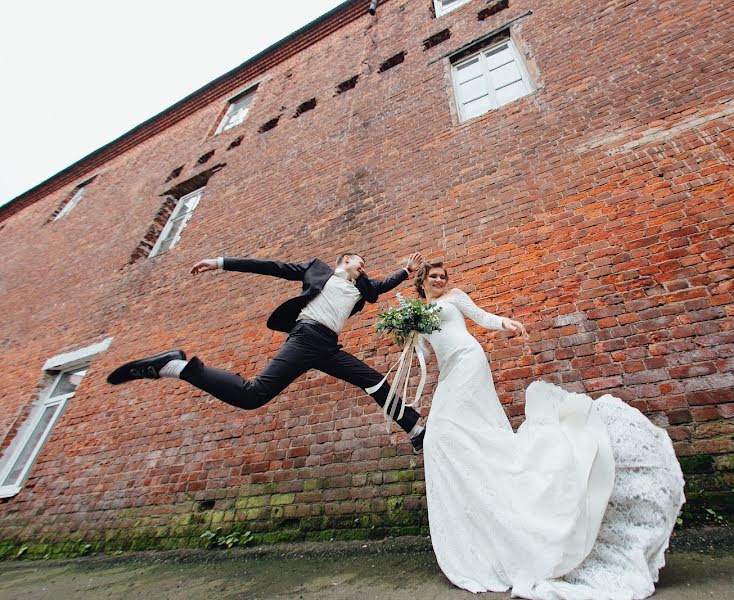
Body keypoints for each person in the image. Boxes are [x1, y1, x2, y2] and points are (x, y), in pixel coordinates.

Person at [415, 261, 685, 599]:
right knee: (443, 436)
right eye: (434, 276)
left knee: (450, 429)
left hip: (469, 361)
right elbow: (425, 351)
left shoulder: (454, 297)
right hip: (448, 370)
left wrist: (507, 324)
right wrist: (409, 335)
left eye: (443, 275)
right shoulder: (417, 314)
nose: (440, 279)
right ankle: (481, 516)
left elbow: (482, 318)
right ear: (422, 281)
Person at [107, 252, 427, 451]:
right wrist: (220, 263)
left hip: (328, 347)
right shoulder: (316, 271)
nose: (364, 266)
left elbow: (382, 286)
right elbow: (271, 267)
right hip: (305, 338)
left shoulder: (361, 288)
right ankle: (176, 366)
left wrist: (407, 272)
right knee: (253, 396)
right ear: (345, 260)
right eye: (361, 261)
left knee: (373, 380)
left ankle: (413, 427)